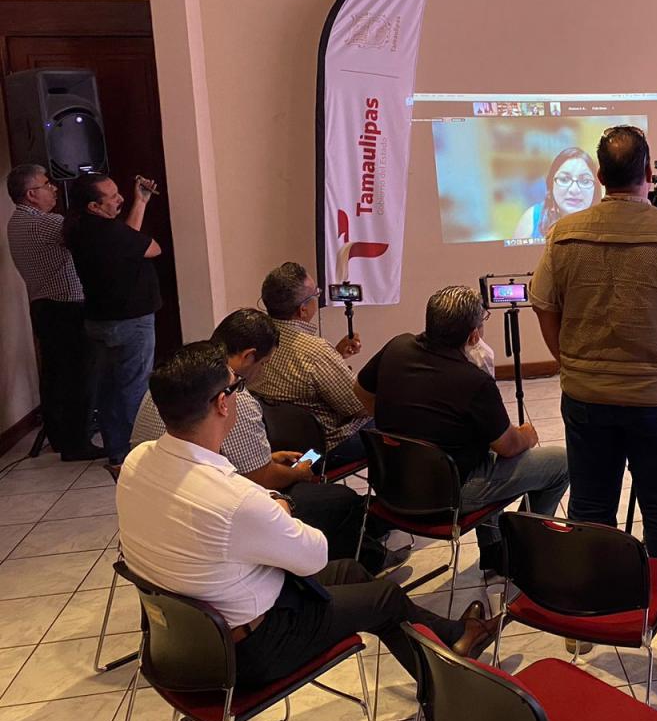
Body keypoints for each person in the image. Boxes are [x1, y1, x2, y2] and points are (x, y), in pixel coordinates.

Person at [116, 342, 499, 688]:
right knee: (384, 597)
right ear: (222, 403)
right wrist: (281, 505)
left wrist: (265, 500)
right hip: (248, 652)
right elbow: (313, 555)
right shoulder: (235, 502)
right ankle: (450, 691)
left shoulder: (137, 461)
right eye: (237, 387)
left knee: (351, 572)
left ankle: (455, 639)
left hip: (180, 642)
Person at [530, 124, 657, 675]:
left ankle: (586, 622)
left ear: (600, 176)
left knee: (590, 510)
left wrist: (568, 360)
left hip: (586, 397)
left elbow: (544, 305)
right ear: (648, 173)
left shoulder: (563, 235)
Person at [130, 308, 404, 573]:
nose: (264, 372)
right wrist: (292, 477)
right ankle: (364, 559)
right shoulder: (234, 398)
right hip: (218, 511)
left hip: (171, 504)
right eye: (264, 364)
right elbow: (259, 478)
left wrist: (266, 460)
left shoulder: (169, 384)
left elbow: (233, 459)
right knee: (340, 497)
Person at [356, 285, 569, 578]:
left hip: (391, 484)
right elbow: (508, 446)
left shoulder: (396, 347)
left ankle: (495, 550)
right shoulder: (474, 381)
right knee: (561, 463)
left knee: (482, 451)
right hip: (447, 496)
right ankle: (523, 551)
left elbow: (361, 391)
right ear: (473, 336)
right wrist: (527, 435)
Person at [64, 172, 163, 471]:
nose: (120, 199)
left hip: (99, 321)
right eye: (113, 197)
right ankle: (140, 455)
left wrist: (140, 202)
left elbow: (127, 242)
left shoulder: (79, 229)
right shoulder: (108, 232)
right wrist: (138, 205)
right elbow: (152, 248)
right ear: (94, 206)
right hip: (130, 321)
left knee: (109, 389)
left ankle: (117, 451)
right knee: (134, 388)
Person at [5, 163, 97, 460]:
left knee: (55, 374)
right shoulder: (44, 223)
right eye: (47, 184)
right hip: (65, 307)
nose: (54, 188)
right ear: (31, 194)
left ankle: (60, 436)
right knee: (77, 375)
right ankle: (77, 443)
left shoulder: (15, 222)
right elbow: (88, 235)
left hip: (43, 306)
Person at [250, 262, 370, 469]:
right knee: (392, 422)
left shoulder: (255, 340)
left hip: (279, 448)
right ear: (303, 309)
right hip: (319, 452)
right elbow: (360, 407)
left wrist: (336, 355)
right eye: (316, 294)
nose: (318, 296)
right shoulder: (315, 351)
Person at [512, 147, 601, 240]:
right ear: (551, 184)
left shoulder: (605, 223)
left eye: (585, 181)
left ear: (596, 188)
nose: (574, 190)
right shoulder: (533, 218)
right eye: (564, 179)